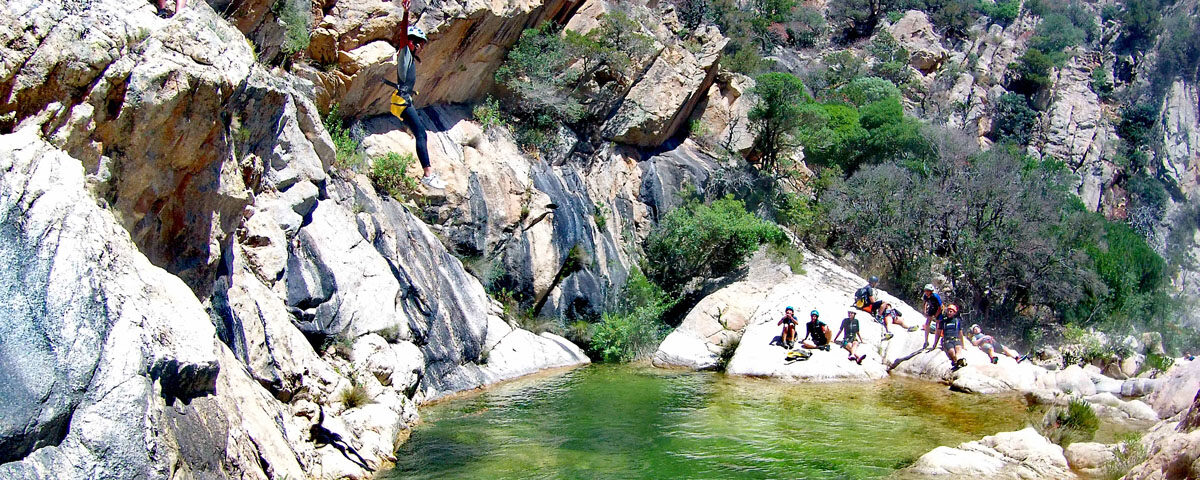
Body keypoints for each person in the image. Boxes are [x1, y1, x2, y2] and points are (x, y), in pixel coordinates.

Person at [384, 0, 446, 190]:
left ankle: (428, 173)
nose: (421, 48)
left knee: (421, 133)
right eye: (420, 44)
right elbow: (403, 36)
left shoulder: (409, 59)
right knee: (421, 133)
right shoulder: (405, 53)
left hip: (404, 100)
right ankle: (427, 175)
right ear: (412, 42)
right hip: (402, 100)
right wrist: (405, 14)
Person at [933, 304, 967, 370]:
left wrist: (963, 345)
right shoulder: (943, 321)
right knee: (951, 351)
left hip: (956, 339)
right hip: (947, 340)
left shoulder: (957, 321)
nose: (949, 312)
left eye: (951, 311)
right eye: (948, 311)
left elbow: (960, 333)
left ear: (955, 312)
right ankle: (956, 361)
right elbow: (938, 333)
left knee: (958, 349)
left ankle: (958, 360)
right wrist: (935, 344)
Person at [921, 284, 943, 349]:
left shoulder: (935, 296)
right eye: (926, 291)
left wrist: (936, 315)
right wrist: (925, 310)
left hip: (938, 310)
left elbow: (940, 307)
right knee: (927, 323)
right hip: (932, 308)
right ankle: (926, 341)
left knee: (938, 325)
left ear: (931, 291)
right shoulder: (925, 296)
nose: (926, 292)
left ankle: (935, 344)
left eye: (928, 291)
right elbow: (924, 303)